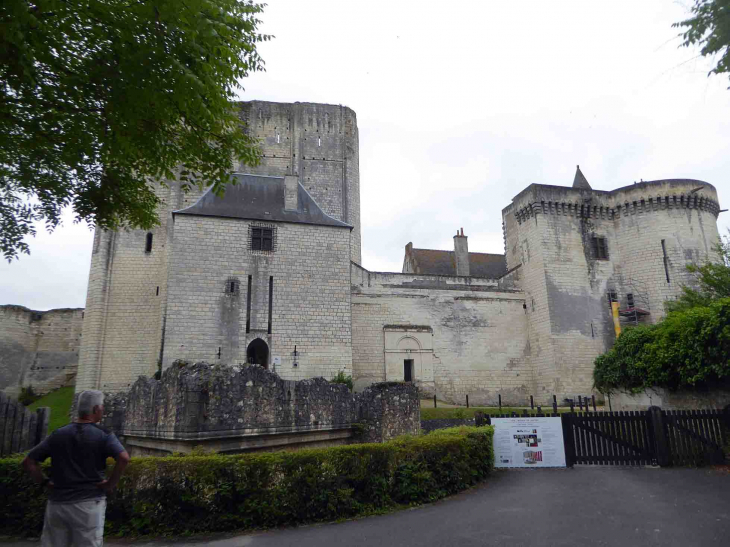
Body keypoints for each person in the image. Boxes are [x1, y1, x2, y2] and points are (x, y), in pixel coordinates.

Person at [22, 390, 130, 547]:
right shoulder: (103, 435)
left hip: (57, 504)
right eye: (101, 407)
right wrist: (110, 484)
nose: (103, 410)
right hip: (88, 504)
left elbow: (28, 462)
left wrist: (45, 482)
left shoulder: (58, 434)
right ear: (96, 410)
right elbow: (124, 458)